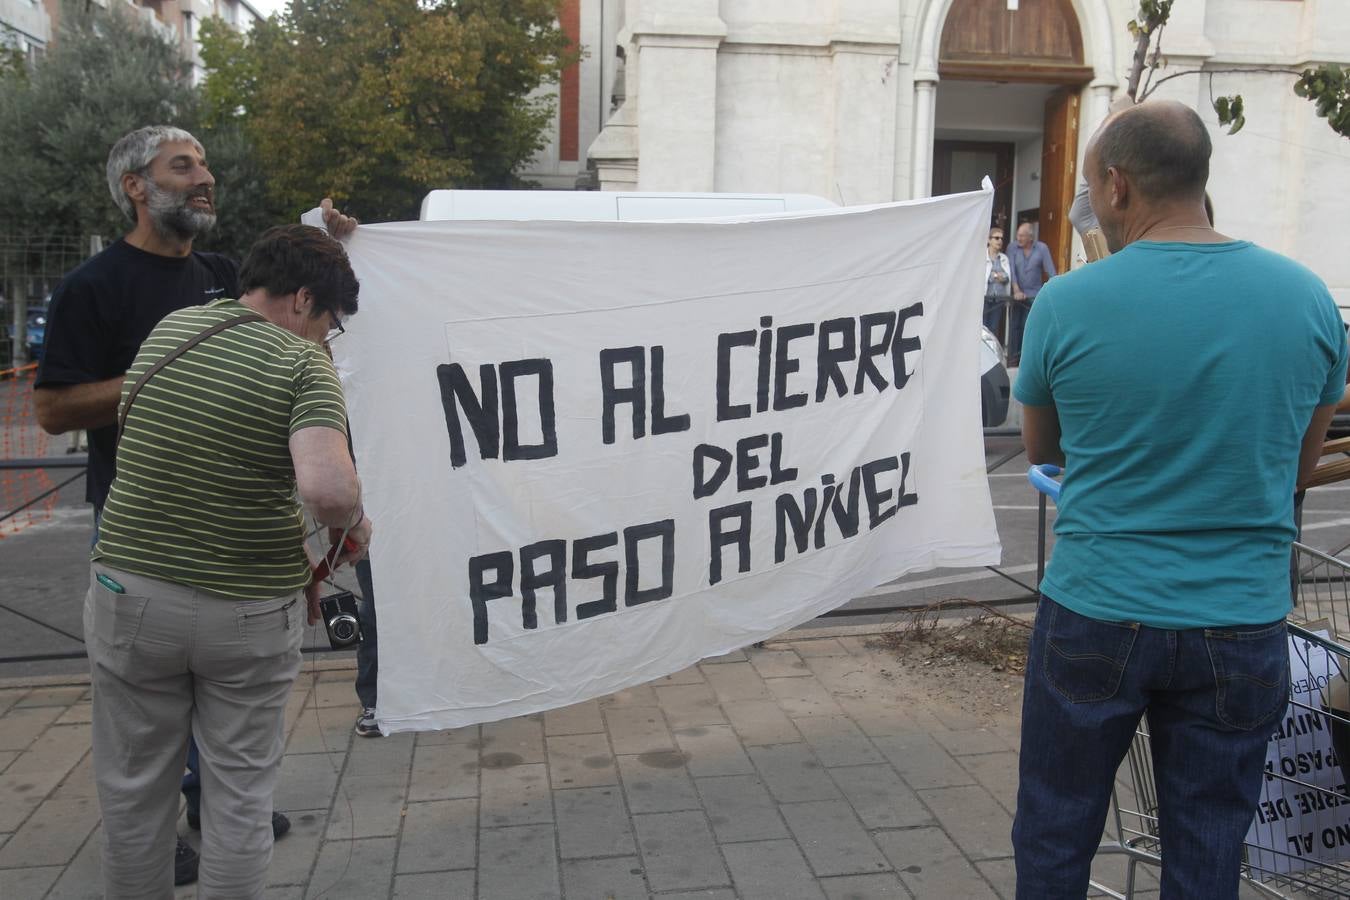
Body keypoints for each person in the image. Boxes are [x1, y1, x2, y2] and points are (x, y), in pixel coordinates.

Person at [1011, 100, 1347, 898]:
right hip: (1239, 620)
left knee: (1056, 831)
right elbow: (1298, 468)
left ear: (1117, 186)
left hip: (1097, 609)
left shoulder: (1066, 303)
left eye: (1094, 188)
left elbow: (1042, 450)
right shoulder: (1307, 300)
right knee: (1208, 843)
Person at [33, 124, 356, 884]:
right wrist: (223, 373)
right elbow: (51, 410)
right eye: (184, 166)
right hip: (180, 547)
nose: (205, 177)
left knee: (135, 783)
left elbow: (281, 280)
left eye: (207, 164)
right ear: (136, 187)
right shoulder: (95, 288)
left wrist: (326, 232)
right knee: (237, 788)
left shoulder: (200, 293)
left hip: (140, 575)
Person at [87, 223, 372, 899]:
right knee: (238, 795)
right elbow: (327, 490)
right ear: (303, 300)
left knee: (133, 793)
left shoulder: (171, 330)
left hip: (129, 589)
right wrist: (356, 523)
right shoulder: (303, 366)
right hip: (244, 608)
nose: (329, 338)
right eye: (331, 322)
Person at [1007, 221, 1056, 364]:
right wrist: (1016, 290)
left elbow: (1050, 270)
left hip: (1034, 295)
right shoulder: (1012, 247)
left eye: (1022, 236)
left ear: (1030, 237)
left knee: (1029, 326)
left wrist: (1054, 290)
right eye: (1018, 236)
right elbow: (1011, 270)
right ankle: (1012, 358)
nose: (1019, 239)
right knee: (1015, 326)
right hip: (1017, 295)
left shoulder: (1042, 248)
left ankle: (1027, 359)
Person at [983, 227, 1013, 344]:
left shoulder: (1004, 258)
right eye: (996, 238)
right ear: (989, 240)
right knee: (983, 328)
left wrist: (995, 276)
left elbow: (1006, 277)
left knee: (994, 329)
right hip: (985, 298)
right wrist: (996, 276)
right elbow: (984, 276)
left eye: (1001, 238)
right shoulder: (982, 256)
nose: (1000, 241)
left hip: (999, 299)